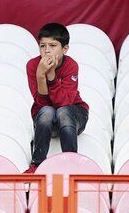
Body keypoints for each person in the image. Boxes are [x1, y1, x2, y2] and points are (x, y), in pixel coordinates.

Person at [23, 23, 89, 174]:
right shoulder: (33, 65)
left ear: (65, 49)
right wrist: (40, 76)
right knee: (47, 111)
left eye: (53, 45)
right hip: (47, 118)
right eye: (42, 46)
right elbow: (42, 104)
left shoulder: (71, 65)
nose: (47, 50)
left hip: (74, 114)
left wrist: (51, 77)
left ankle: (72, 163)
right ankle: (37, 165)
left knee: (63, 112)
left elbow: (64, 103)